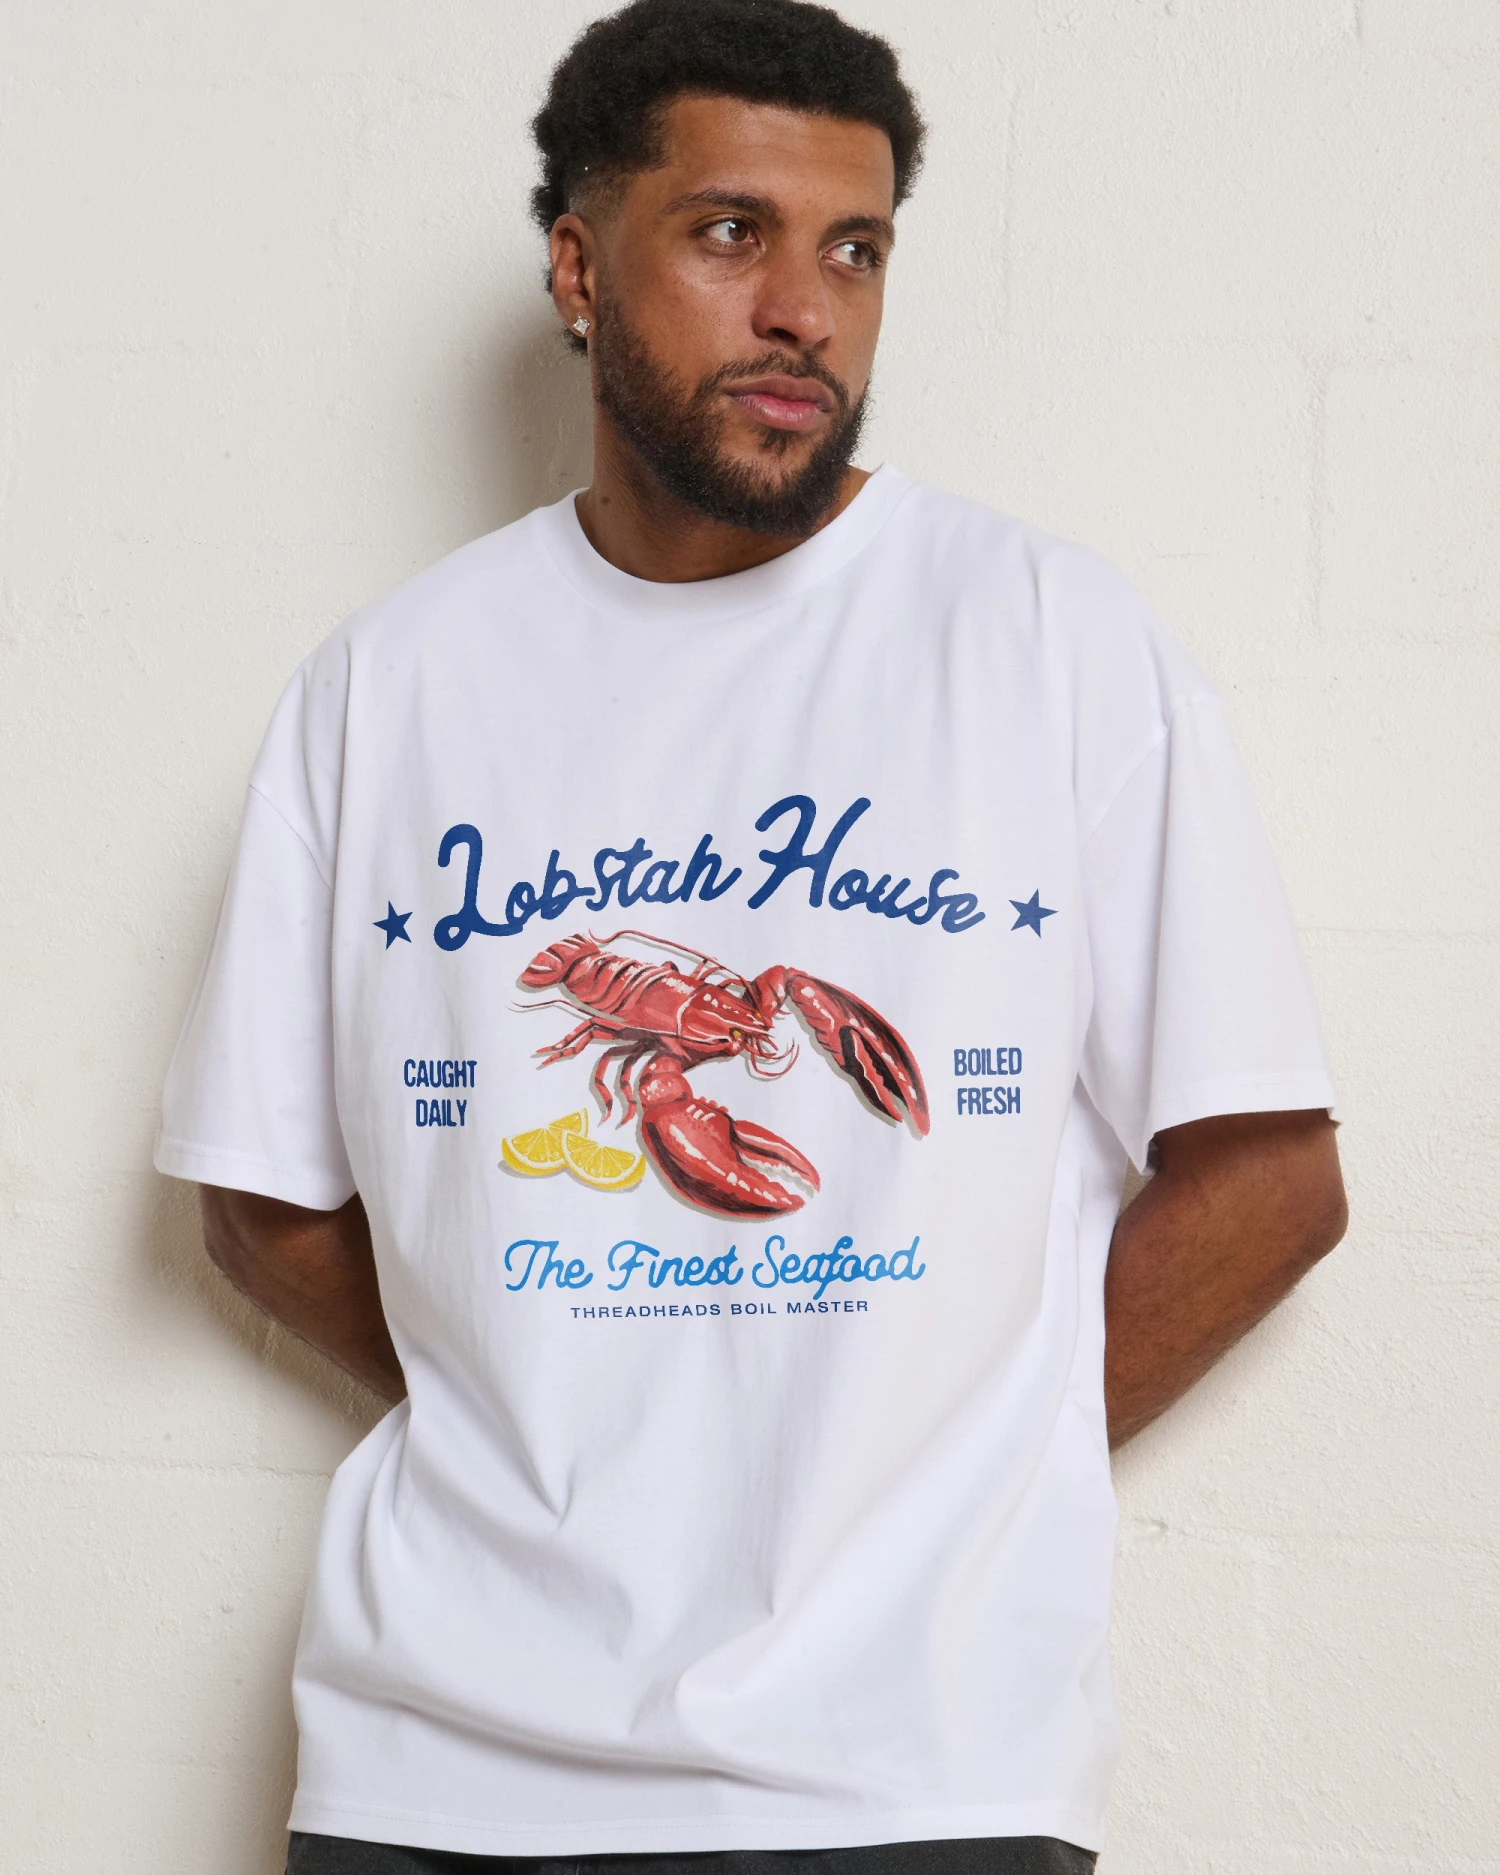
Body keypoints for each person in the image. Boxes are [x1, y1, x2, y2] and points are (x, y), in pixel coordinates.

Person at [154, 2, 1347, 1870]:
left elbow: (1271, 1177)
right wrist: (530, 1409)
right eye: (731, 234)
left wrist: (968, 1455)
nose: (804, 308)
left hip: (920, 1773)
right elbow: (258, 1203)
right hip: (439, 1769)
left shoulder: (1050, 639)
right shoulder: (387, 684)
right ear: (579, 268)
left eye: (854, 250)